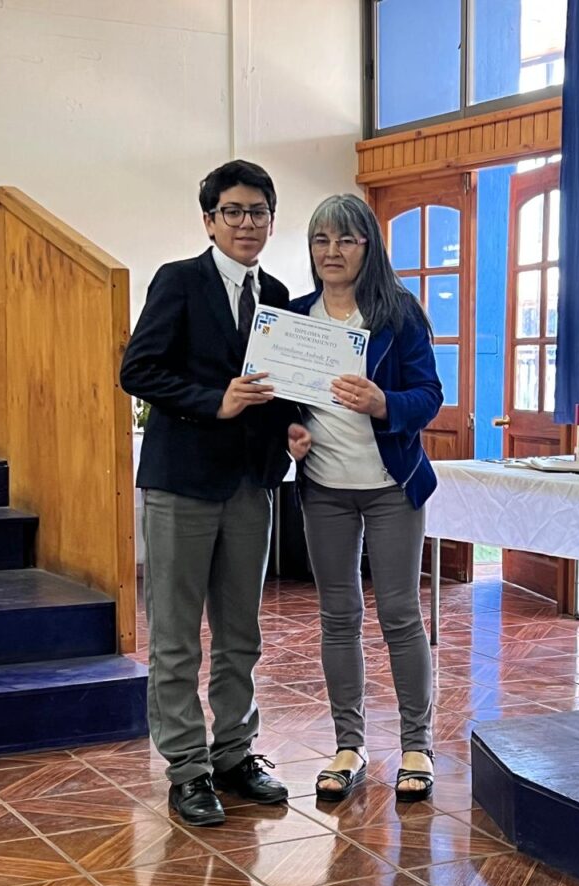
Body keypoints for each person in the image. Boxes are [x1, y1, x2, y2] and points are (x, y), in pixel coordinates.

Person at [120, 160, 311, 827]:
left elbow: (279, 389)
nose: (246, 223)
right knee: (176, 636)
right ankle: (187, 767)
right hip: (182, 483)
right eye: (232, 211)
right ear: (209, 220)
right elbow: (138, 370)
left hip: (252, 485)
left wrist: (291, 428)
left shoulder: (278, 295)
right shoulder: (178, 281)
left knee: (240, 634)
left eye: (258, 212)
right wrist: (213, 400)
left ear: (271, 222)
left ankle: (234, 753)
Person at [289, 193, 443, 802]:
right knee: (338, 616)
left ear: (367, 247)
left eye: (345, 240)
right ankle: (349, 745)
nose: (332, 251)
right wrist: (289, 433)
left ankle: (417, 745)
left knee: (400, 615)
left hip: (390, 488)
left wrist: (384, 403)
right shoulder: (295, 318)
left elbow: (428, 395)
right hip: (324, 488)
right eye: (321, 240)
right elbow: (280, 402)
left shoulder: (398, 314)